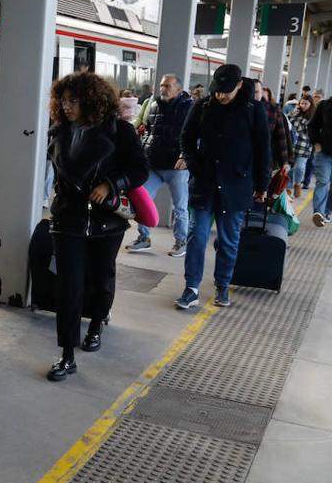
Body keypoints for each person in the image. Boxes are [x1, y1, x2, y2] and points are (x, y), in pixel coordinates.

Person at [44, 72, 149, 382]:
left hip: (105, 220)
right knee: (69, 286)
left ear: (92, 101)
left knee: (101, 279)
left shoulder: (120, 132)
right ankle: (66, 354)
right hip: (68, 218)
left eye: (73, 101)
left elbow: (141, 169)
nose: (66, 107)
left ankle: (96, 323)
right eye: (62, 101)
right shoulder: (58, 131)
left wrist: (111, 183)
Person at [175, 64, 271, 310]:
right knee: (197, 236)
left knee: (229, 240)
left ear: (240, 85)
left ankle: (223, 285)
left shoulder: (254, 110)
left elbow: (263, 149)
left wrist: (262, 185)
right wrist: (195, 165)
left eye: (226, 91)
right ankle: (191, 287)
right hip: (205, 183)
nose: (221, 96)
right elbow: (186, 137)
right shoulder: (204, 105)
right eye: (218, 90)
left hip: (237, 185)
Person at [126, 74, 192, 257]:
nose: (163, 89)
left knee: (180, 207)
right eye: (162, 85)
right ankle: (143, 238)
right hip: (153, 163)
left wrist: (185, 156)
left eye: (168, 86)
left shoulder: (188, 107)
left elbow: (192, 135)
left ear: (179, 90)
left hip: (176, 166)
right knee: (143, 200)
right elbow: (147, 130)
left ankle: (181, 241)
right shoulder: (153, 104)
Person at [255, 81, 294, 189]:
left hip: (267, 159)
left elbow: (282, 137)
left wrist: (286, 161)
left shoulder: (273, 110)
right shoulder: (243, 109)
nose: (255, 95)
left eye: (257, 92)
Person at [305, 90, 332, 226]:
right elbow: (312, 125)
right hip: (324, 152)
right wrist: (315, 142)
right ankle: (319, 212)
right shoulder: (325, 106)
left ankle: (327, 211)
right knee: (323, 181)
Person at [287, 94, 315, 199]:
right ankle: (288, 188)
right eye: (301, 103)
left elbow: (304, 128)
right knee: (290, 167)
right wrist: (295, 111)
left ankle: (297, 183)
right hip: (292, 143)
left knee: (299, 167)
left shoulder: (313, 116)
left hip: (305, 146)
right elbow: (288, 120)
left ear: (311, 105)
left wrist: (296, 120)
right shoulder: (296, 112)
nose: (303, 105)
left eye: (305, 103)